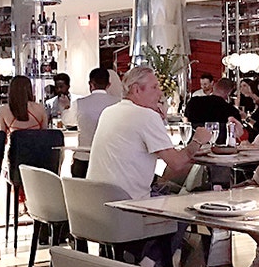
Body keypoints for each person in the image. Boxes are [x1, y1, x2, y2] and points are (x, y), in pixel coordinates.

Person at [87, 66, 212, 201]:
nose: (159, 93)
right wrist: (198, 140)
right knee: (193, 204)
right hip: (128, 207)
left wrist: (160, 119)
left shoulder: (109, 111)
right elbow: (176, 163)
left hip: (96, 204)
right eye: (154, 87)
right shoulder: (146, 116)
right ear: (136, 89)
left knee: (169, 188)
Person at [70, 67, 120, 178]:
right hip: (110, 159)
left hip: (84, 158)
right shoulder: (118, 103)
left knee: (80, 193)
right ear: (109, 84)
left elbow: (68, 121)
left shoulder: (79, 103)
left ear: (90, 84)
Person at [184, 77, 242, 144]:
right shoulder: (232, 111)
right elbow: (238, 133)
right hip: (220, 149)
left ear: (214, 87)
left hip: (194, 145)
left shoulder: (193, 102)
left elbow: (186, 123)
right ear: (229, 93)